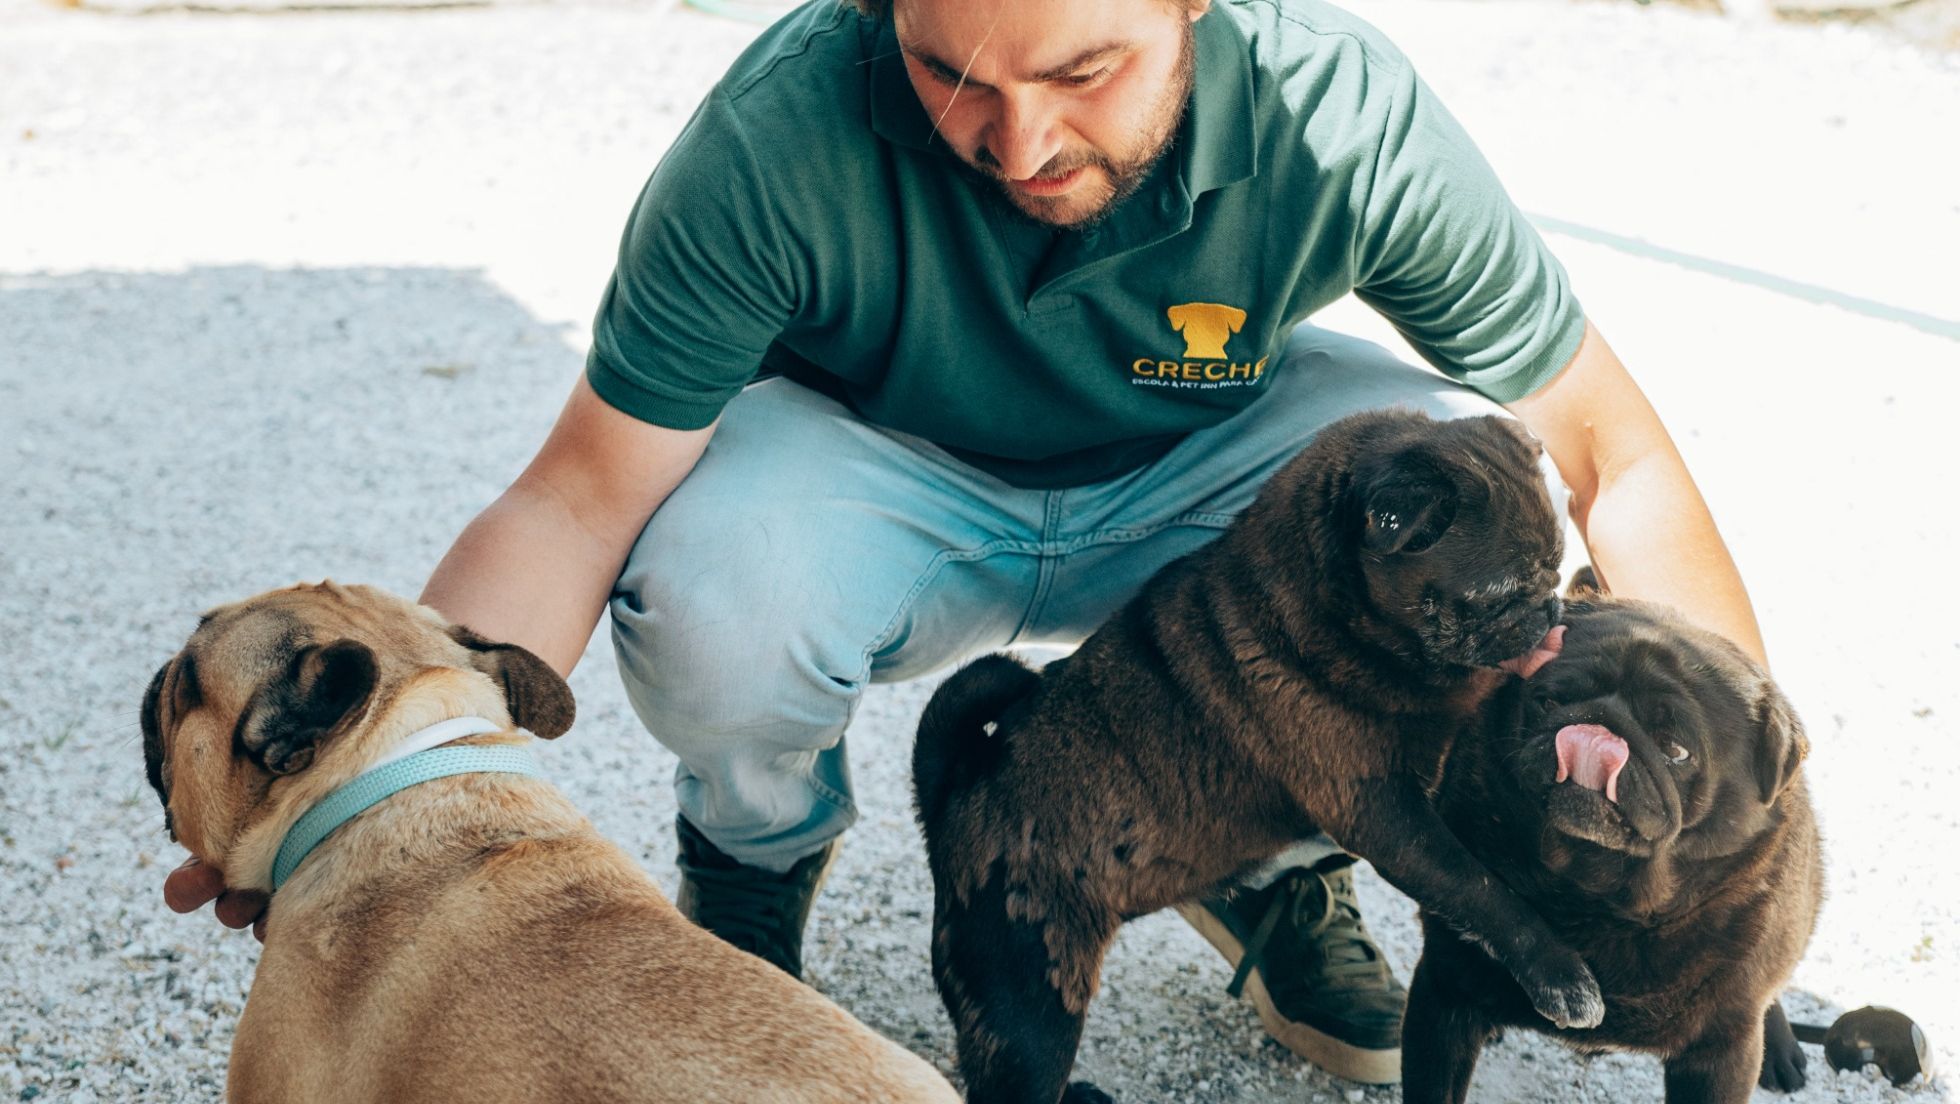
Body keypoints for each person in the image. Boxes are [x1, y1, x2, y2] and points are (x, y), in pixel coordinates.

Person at [166, 0, 1767, 1084]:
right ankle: (751, 884)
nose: (1012, 144)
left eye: (1081, 72)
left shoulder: (1338, 112)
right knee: (723, 573)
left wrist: (1739, 845)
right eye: (950, 74)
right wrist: (377, 788)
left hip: (1204, 488)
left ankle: (1275, 871)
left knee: (1437, 469)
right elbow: (578, 494)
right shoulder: (778, 133)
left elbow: (1607, 452)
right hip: (890, 479)